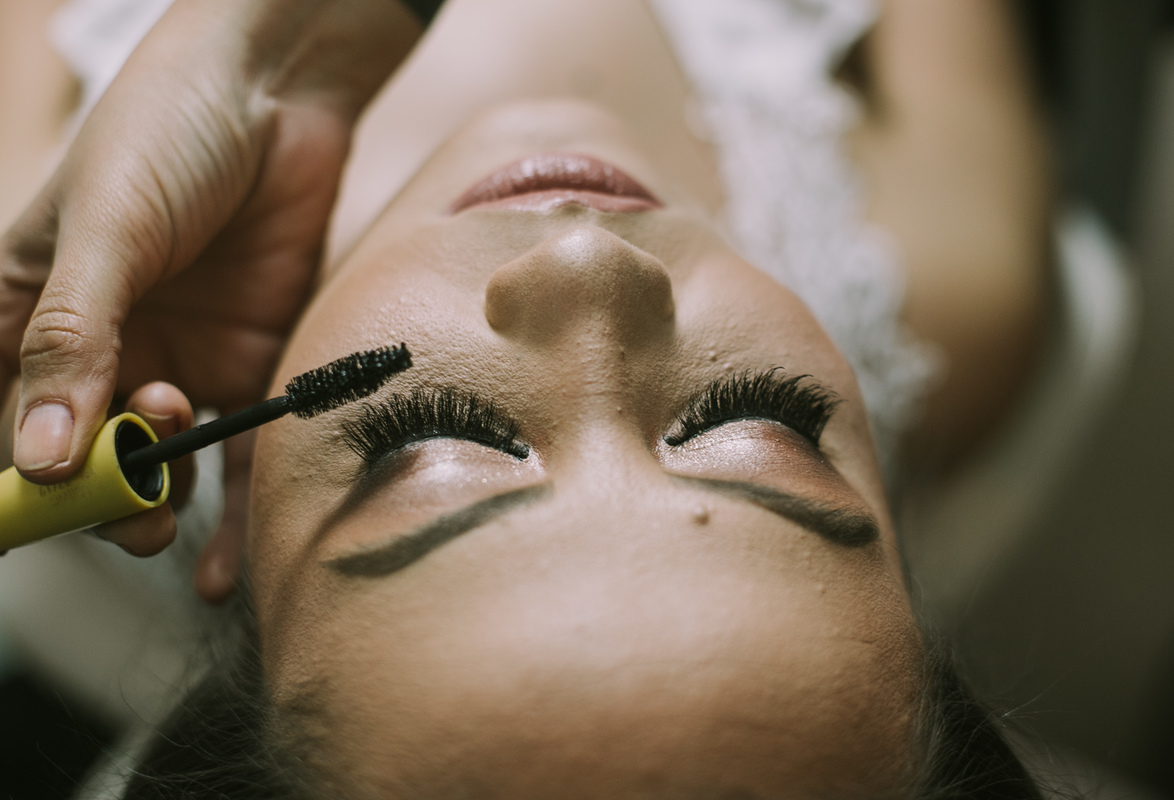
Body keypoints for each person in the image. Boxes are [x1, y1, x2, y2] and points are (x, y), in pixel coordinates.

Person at [0, 0, 1054, 796]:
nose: (588, 261)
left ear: (249, 607)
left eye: (430, 444)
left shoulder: (42, 254)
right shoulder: (961, 282)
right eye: (757, 425)